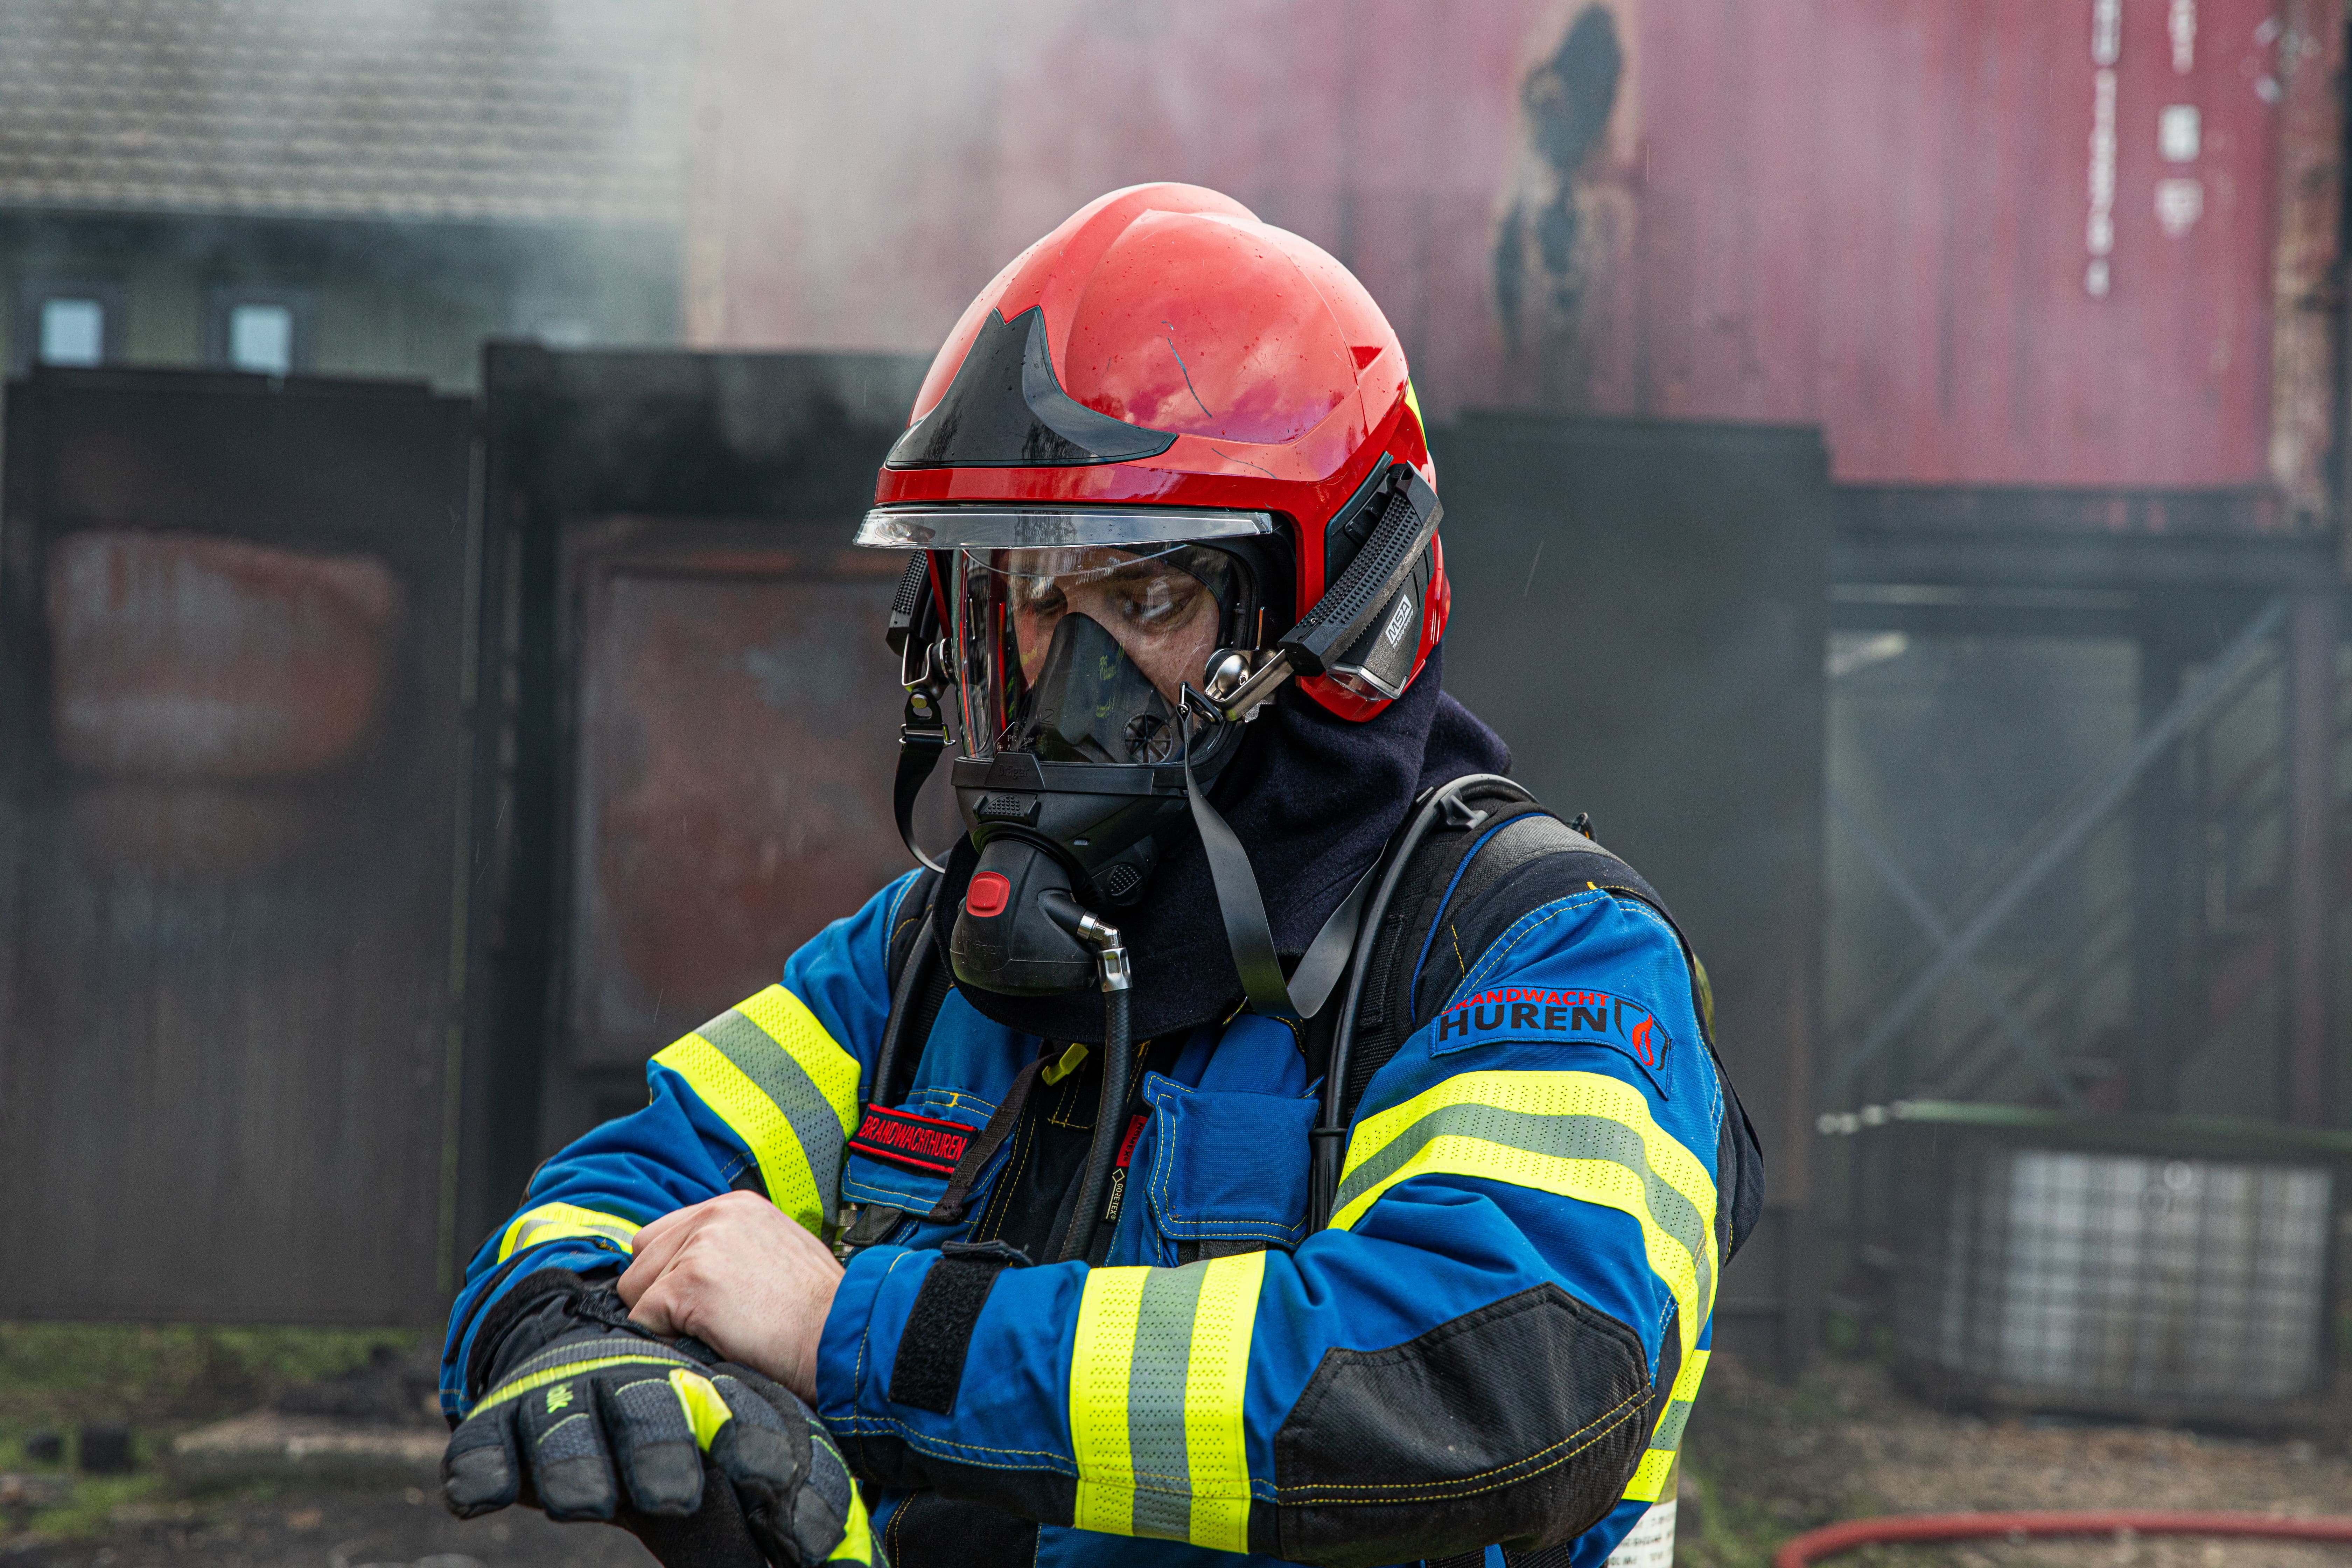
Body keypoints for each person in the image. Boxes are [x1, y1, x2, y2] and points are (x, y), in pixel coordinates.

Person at [437, 183, 1763, 1568]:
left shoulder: (1535, 958)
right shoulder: (923, 965)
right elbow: (608, 1202)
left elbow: (1492, 1389)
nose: (1065, 687)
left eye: (1144, 602)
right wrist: (572, 1340)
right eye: (1026, 602)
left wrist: (855, 1337)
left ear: (1342, 607)